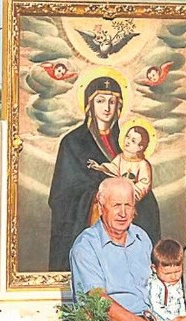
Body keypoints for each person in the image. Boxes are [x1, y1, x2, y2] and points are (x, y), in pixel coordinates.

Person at [70, 177, 169, 321]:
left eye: (128, 206)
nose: (123, 213)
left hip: (150, 320)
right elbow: (97, 301)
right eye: (116, 205)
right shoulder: (86, 246)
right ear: (101, 206)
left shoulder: (142, 238)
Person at [48, 76, 124, 271]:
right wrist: (95, 198)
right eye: (100, 101)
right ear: (90, 105)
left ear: (119, 106)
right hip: (88, 226)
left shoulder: (127, 142)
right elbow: (61, 195)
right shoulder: (73, 142)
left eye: (112, 101)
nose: (106, 107)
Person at [87, 124, 161, 243]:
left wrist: (131, 195)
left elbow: (144, 184)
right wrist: (100, 167)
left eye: (133, 141)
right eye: (127, 137)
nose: (127, 142)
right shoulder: (120, 158)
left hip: (137, 201)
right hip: (119, 198)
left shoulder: (142, 164)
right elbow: (113, 169)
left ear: (140, 147)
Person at [147, 239, 186, 321]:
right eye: (167, 273)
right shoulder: (155, 285)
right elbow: (155, 308)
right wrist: (175, 319)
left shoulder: (182, 281)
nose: (173, 277)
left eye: (177, 271)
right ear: (154, 268)